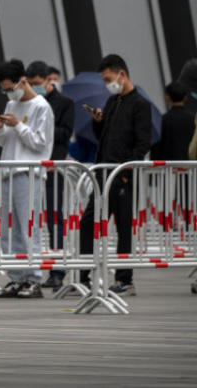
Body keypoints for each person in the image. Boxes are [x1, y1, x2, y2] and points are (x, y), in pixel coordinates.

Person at [77, 55, 151, 296]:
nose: (108, 83)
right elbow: (104, 138)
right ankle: (84, 274)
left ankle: (125, 279)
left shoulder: (140, 104)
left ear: (122, 74)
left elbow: (143, 143)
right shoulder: (111, 102)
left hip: (123, 175)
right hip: (103, 172)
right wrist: (98, 122)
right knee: (88, 222)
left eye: (109, 78)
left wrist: (128, 169)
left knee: (123, 227)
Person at [0, 59, 54, 299]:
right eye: (5, 89)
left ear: (23, 81)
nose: (9, 93)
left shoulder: (41, 107)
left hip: (29, 172)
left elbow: (40, 143)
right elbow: (4, 141)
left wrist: (18, 126)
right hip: (8, 168)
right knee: (9, 229)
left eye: (11, 87)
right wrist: (0, 128)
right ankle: (16, 277)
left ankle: (34, 278)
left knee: (29, 226)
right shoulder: (11, 103)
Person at [25, 61, 75, 291]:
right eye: (32, 84)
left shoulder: (64, 103)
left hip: (53, 167)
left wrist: (44, 125)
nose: (36, 88)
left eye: (38, 84)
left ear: (48, 80)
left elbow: (65, 133)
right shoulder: (29, 103)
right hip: (32, 168)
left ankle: (57, 271)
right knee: (32, 220)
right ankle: (29, 270)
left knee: (55, 219)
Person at [151, 82, 194, 161]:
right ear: (185, 97)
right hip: (190, 168)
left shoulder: (162, 120)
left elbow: (156, 148)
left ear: (167, 97)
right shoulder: (193, 119)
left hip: (167, 169)